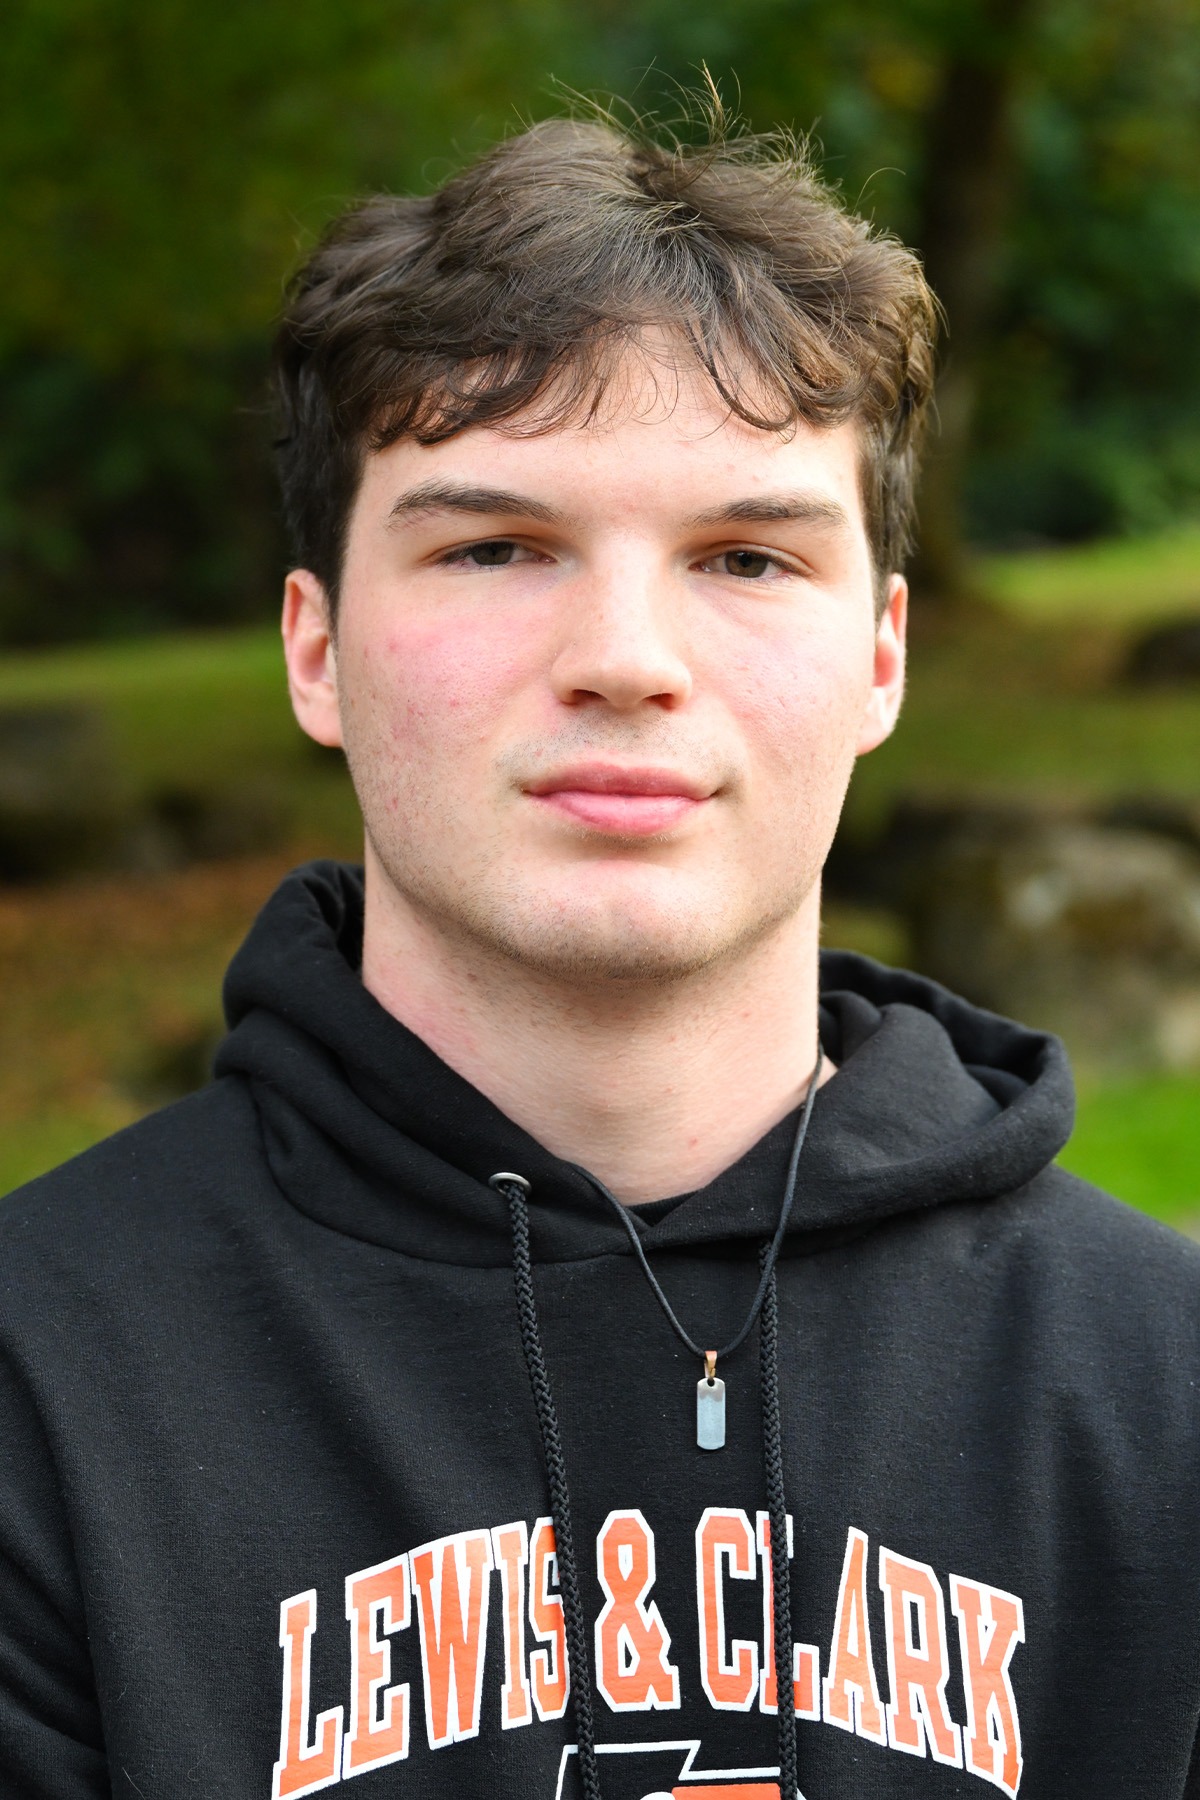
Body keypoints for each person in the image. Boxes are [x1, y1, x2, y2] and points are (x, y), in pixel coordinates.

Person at [1, 110, 1198, 1800]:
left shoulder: (1165, 1392)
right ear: (318, 649)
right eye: (495, 546)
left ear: (881, 658)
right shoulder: (38, 1379)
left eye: (745, 557)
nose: (626, 659)